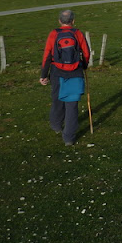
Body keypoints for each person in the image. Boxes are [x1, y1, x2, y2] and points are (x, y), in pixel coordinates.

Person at [40, 9, 91, 146]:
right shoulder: (78, 33)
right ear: (73, 21)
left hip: (57, 71)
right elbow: (86, 52)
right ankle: (68, 137)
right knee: (72, 104)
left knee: (57, 98)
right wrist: (84, 65)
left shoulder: (54, 34)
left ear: (59, 21)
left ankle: (56, 125)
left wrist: (43, 75)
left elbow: (47, 55)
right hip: (75, 71)